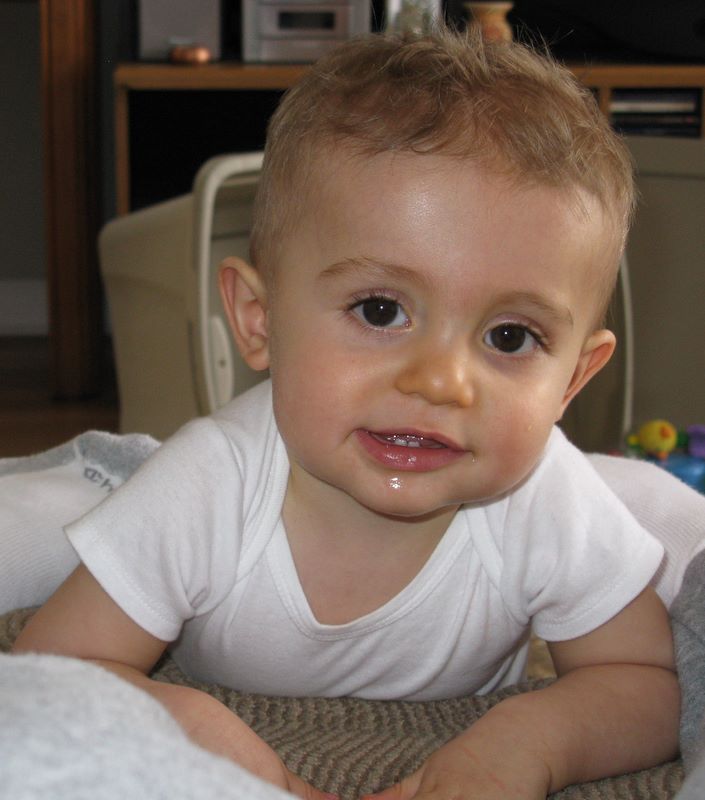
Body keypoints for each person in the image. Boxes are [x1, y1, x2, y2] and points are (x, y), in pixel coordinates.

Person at [14, 26, 680, 800]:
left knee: (654, 516)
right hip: (163, 495)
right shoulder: (205, 483)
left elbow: (643, 683)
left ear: (572, 380)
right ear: (259, 320)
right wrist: (193, 729)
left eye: (509, 337)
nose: (440, 383)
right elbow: (51, 667)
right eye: (379, 310)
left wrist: (525, 745)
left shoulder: (545, 498)